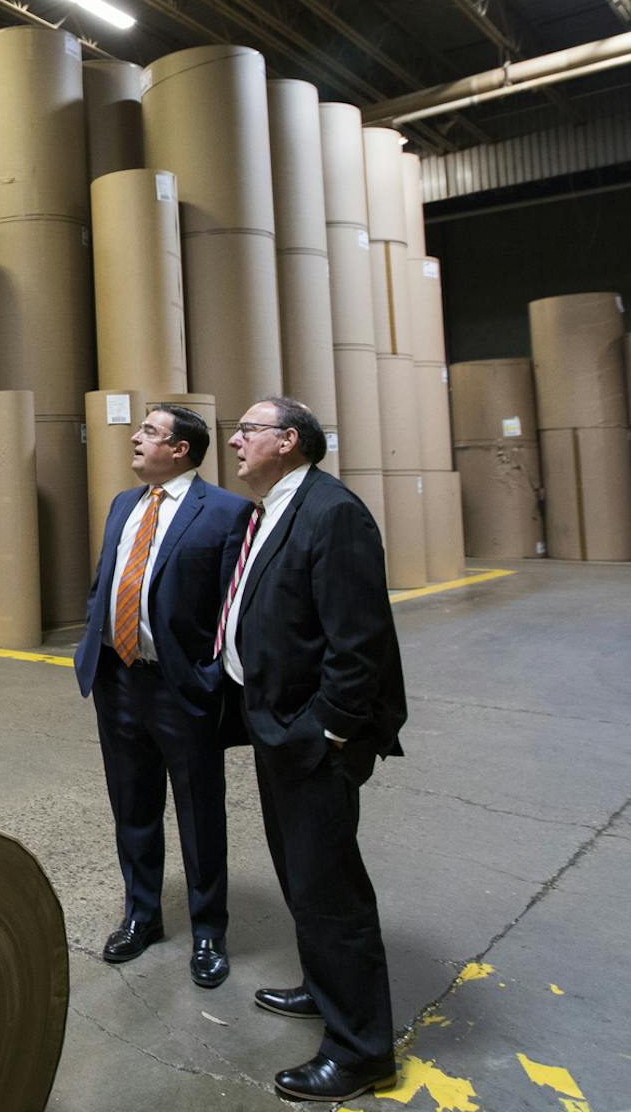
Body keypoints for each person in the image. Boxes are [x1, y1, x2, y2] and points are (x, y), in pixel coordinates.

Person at [214, 396, 407, 1102]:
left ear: (289, 440)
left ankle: (361, 1052)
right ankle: (325, 990)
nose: (235, 441)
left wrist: (327, 730)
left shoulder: (333, 513)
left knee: (332, 893)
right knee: (302, 878)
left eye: (248, 430)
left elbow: (359, 643)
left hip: (311, 736)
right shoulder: (274, 508)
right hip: (275, 726)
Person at [73, 403, 252, 989]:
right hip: (118, 679)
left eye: (149, 431)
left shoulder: (225, 512)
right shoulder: (124, 504)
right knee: (132, 805)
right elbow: (106, 581)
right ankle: (142, 915)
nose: (135, 436)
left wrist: (211, 677)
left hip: (181, 687)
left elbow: (234, 606)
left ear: (180, 449)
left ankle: (208, 931)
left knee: (200, 812)